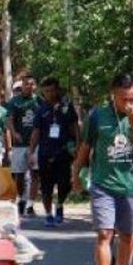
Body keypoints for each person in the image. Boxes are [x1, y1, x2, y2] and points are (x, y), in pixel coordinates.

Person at [71, 74, 133, 265]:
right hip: (103, 184)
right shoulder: (97, 116)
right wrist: (76, 173)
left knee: (128, 237)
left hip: (131, 185)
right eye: (124, 98)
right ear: (113, 95)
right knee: (105, 233)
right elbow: (86, 148)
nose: (129, 103)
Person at [29, 77, 79, 227]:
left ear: (57, 90)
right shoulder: (41, 109)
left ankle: (60, 204)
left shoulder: (66, 106)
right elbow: (36, 132)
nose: (49, 93)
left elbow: (74, 126)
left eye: (52, 90)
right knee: (46, 185)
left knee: (65, 183)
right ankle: (48, 214)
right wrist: (31, 152)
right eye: (46, 91)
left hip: (64, 151)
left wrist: (78, 144)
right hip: (45, 152)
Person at [7, 74, 43, 216]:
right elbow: (9, 120)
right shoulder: (15, 101)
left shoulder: (39, 101)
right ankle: (22, 198)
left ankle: (30, 205)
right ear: (22, 85)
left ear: (35, 86)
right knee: (19, 175)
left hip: (36, 144)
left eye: (32, 84)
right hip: (19, 144)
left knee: (35, 174)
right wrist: (14, 133)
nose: (29, 86)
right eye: (26, 84)